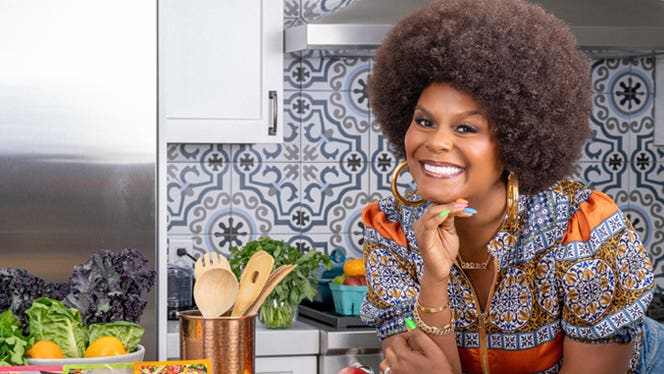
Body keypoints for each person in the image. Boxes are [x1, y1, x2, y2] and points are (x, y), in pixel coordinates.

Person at [359, 0, 664, 373]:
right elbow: (418, 361)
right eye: (424, 121)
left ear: (516, 140)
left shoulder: (580, 233)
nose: (435, 143)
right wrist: (434, 277)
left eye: (466, 128)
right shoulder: (392, 234)